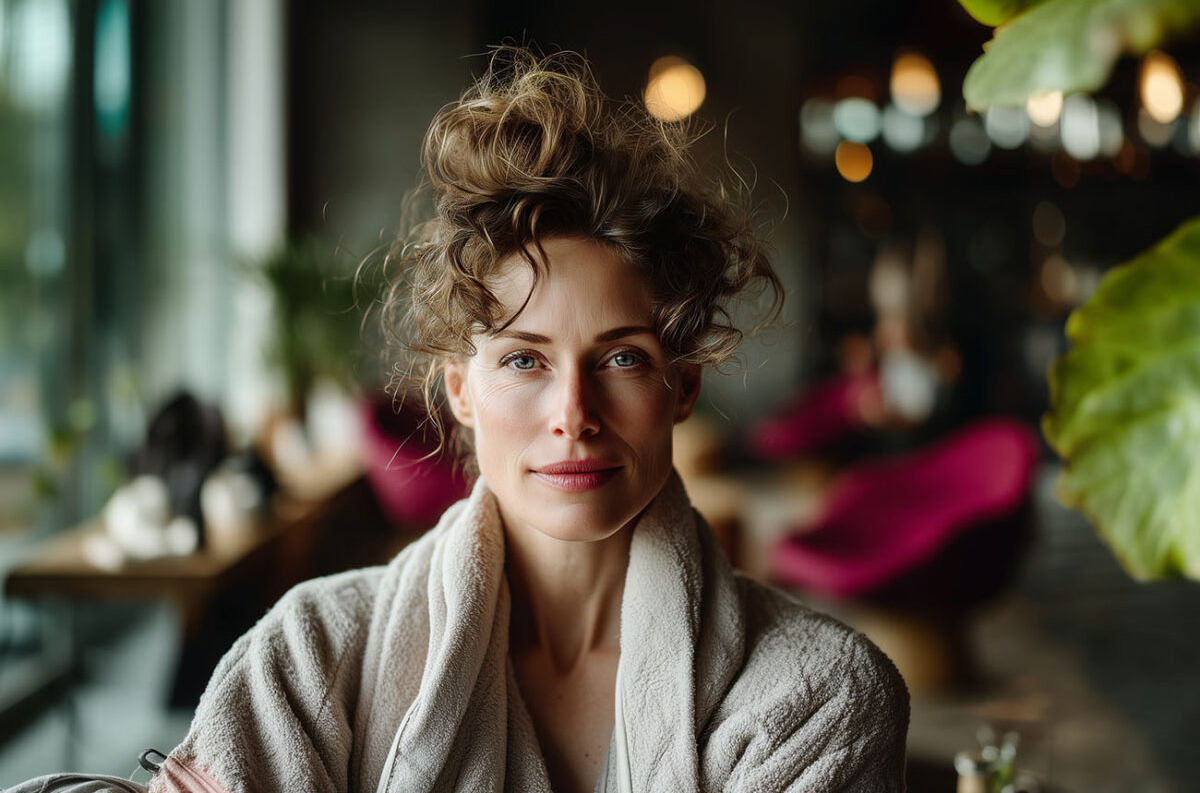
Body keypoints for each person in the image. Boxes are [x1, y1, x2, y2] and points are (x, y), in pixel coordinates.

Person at [11, 47, 907, 793]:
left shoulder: (820, 695)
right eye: (523, 360)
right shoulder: (309, 659)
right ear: (460, 391)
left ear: (682, 386)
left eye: (623, 358)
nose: (574, 416)